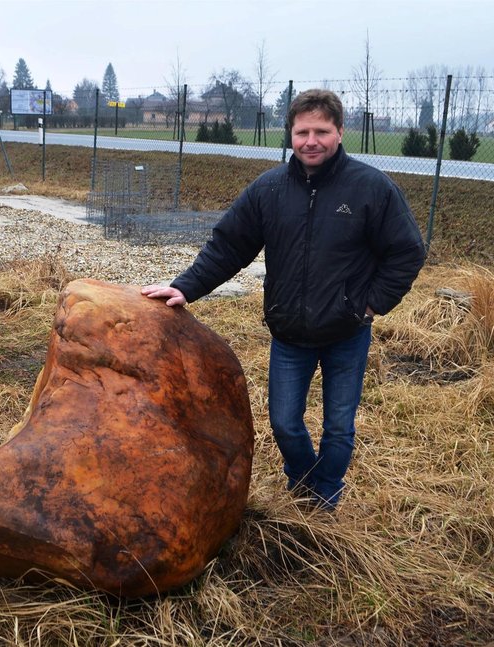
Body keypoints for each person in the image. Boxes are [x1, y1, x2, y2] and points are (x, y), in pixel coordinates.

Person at [142, 89, 426, 511]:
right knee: (285, 424)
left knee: (338, 429)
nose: (311, 140)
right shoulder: (269, 190)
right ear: (290, 134)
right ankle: (304, 479)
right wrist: (187, 286)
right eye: (302, 131)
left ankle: (323, 494)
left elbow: (407, 251)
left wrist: (370, 305)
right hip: (290, 334)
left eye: (322, 131)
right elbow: (228, 246)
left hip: (347, 332)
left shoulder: (371, 188)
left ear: (340, 132)